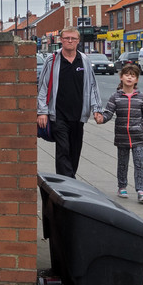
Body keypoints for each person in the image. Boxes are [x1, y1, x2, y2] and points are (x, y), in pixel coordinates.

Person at [37, 27, 103, 178]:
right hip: (58, 115)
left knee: (74, 151)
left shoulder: (84, 60)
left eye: (73, 38)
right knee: (63, 149)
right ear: (61, 40)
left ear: (78, 41)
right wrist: (42, 112)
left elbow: (92, 86)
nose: (70, 41)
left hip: (78, 115)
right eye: (66, 38)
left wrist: (97, 109)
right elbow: (43, 87)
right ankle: (67, 185)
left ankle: (69, 181)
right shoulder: (52, 60)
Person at [98, 62, 143, 203]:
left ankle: (141, 190)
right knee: (122, 163)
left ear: (137, 79)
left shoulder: (141, 97)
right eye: (127, 75)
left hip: (138, 136)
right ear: (121, 77)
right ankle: (122, 186)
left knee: (139, 163)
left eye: (132, 76)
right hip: (122, 137)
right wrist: (101, 118)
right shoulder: (115, 97)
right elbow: (108, 113)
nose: (129, 78)